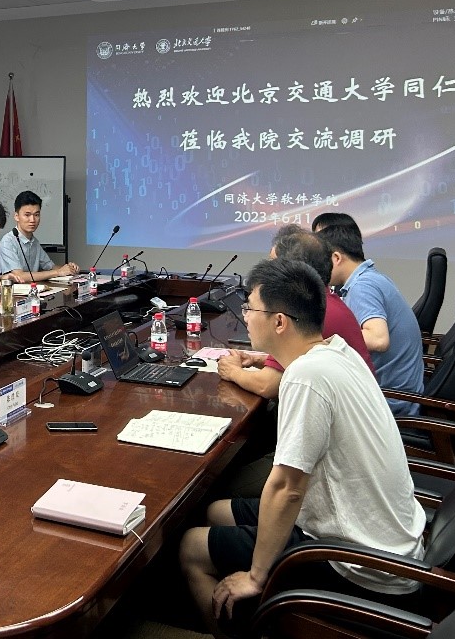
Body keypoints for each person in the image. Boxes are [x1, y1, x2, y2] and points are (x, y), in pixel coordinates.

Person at [180, 258, 426, 636]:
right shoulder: (336, 350)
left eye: (250, 308)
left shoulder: (305, 377)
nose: (245, 317)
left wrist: (257, 575)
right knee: (214, 511)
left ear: (279, 322)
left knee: (191, 546)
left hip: (360, 563)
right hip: (382, 538)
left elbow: (288, 488)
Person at [218, 226, 374, 399]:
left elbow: (267, 386)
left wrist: (232, 371)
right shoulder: (321, 300)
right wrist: (258, 360)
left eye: (274, 265)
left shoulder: (311, 312)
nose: (267, 272)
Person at [316, 218, 424, 415]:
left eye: (322, 262)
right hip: (396, 392)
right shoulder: (370, 278)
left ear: (336, 258)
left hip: (390, 401)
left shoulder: (362, 287)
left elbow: (378, 339)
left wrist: (321, 341)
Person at [0, 191, 79, 281]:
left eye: (36, 215)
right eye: (27, 215)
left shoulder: (34, 242)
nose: (32, 220)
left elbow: (50, 267)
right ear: (16, 216)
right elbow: (19, 276)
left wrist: (69, 268)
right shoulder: (8, 241)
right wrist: (58, 272)